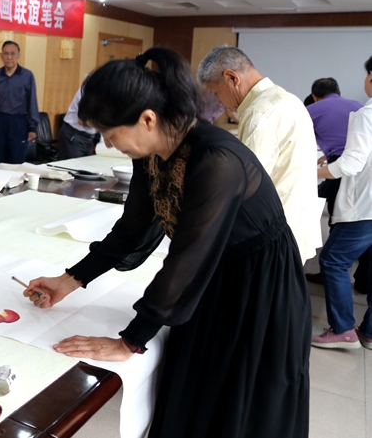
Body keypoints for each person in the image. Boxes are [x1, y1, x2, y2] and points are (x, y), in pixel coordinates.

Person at [24, 47, 309, 438]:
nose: (109, 144)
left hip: (259, 286)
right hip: (212, 278)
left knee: (238, 402)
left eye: (110, 134)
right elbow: (132, 230)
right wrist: (69, 280)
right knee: (192, 392)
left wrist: (130, 341)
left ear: (147, 119)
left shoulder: (216, 160)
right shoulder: (152, 152)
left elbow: (188, 257)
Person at [198, 45, 321, 264]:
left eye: (216, 92)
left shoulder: (260, 113)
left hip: (275, 235)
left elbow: (245, 187)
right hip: (294, 222)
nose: (219, 102)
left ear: (232, 78)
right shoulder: (285, 98)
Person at [312, 60, 372, 349]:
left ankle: (343, 330)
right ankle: (369, 332)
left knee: (332, 260)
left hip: (364, 207)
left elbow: (351, 163)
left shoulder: (367, 114)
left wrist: (313, 172)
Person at [307, 77, 368, 292]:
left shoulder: (311, 110)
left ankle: (329, 274)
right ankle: (363, 280)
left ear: (314, 96)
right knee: (363, 225)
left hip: (342, 167)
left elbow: (299, 140)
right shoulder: (359, 106)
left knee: (337, 220)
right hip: (365, 168)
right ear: (339, 93)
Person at [0, 40, 39, 165]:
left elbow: (32, 102)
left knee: (17, 161)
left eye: (13, 53)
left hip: (19, 122)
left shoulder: (27, 75)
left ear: (18, 56)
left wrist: (33, 127)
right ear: (1, 56)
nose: (9, 57)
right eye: (6, 54)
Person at [57, 84, 98, 159]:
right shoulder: (90, 89)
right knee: (74, 166)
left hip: (89, 138)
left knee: (88, 165)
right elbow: (83, 121)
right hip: (74, 136)